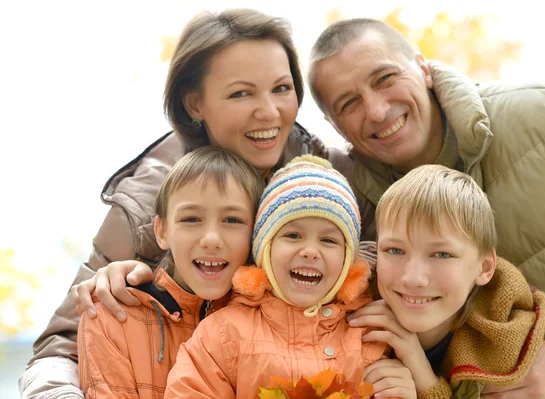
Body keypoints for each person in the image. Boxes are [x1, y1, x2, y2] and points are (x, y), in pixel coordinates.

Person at [19, 9, 350, 398]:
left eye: (281, 88)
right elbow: (58, 350)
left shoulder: (327, 174)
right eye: (241, 93)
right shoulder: (146, 205)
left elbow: (406, 240)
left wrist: (360, 263)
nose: (270, 111)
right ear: (195, 104)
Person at [307, 18, 545, 398]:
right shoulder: (354, 209)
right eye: (349, 103)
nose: (377, 110)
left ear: (423, 67)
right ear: (335, 125)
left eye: (384, 78)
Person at [164, 155, 399, 399]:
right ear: (265, 251)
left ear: (348, 259)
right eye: (293, 236)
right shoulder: (223, 334)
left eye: (328, 240)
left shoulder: (371, 334)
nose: (310, 251)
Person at [349, 164, 545, 397]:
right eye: (395, 250)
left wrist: (424, 381)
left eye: (442, 254)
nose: (413, 278)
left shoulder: (510, 343)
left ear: (485, 267)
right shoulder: (346, 312)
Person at [78, 146, 263, 398]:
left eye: (232, 220)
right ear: (162, 231)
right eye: (191, 219)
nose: (211, 239)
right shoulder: (111, 316)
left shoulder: (270, 318)